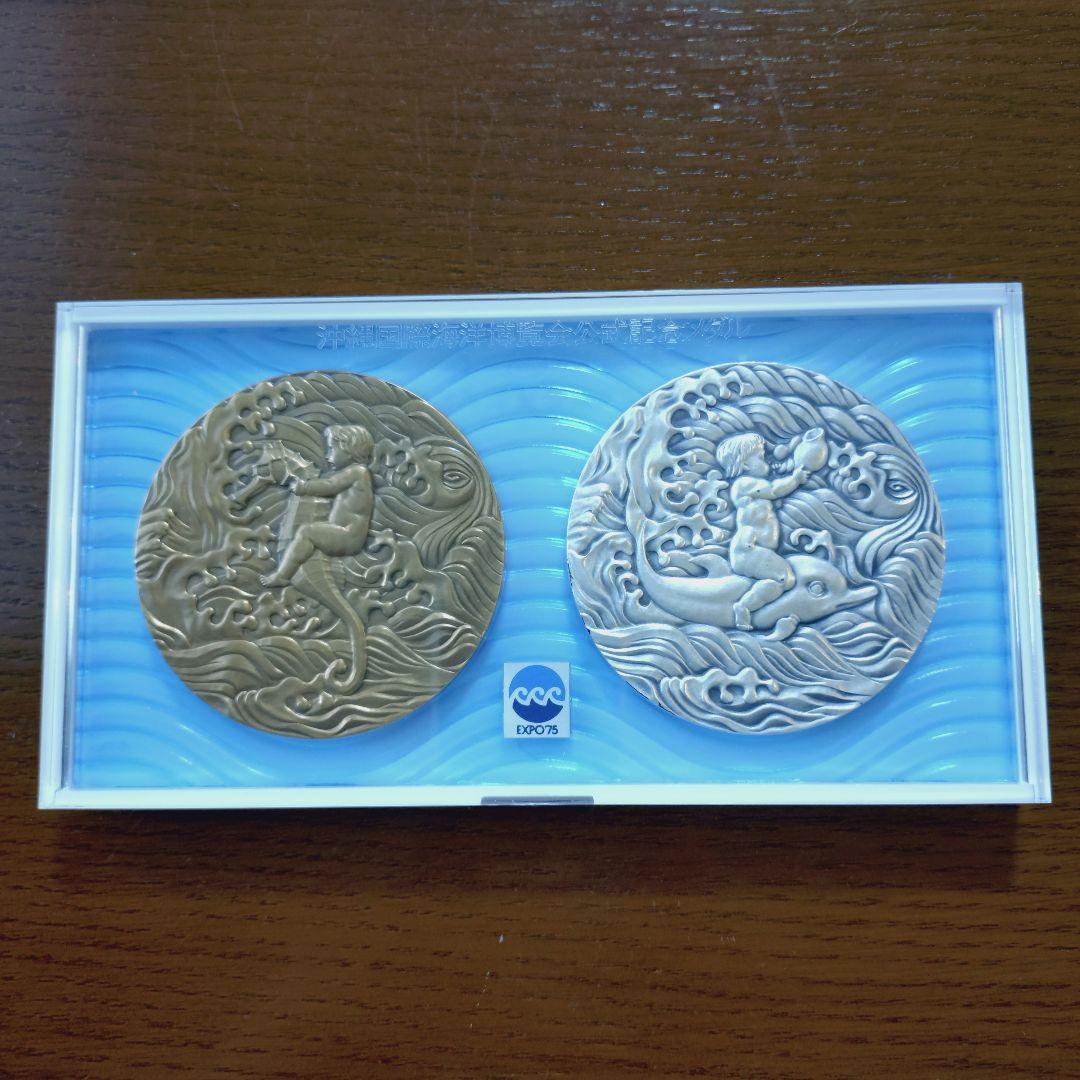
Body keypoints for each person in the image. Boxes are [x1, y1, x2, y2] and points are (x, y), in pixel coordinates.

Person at [716, 432, 810, 631]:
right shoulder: (744, 483)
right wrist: (795, 479)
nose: (766, 459)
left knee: (784, 581)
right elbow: (774, 490)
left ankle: (750, 606)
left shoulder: (753, 489)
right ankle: (744, 606)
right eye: (760, 456)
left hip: (755, 550)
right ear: (745, 464)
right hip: (748, 549)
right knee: (784, 578)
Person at [261, 424, 374, 587]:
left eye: (332, 449)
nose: (328, 456)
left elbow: (331, 485)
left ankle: (283, 576)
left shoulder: (358, 472)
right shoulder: (356, 473)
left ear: (349, 450)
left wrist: (304, 487)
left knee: (307, 532)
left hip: (348, 536)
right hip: (344, 532)